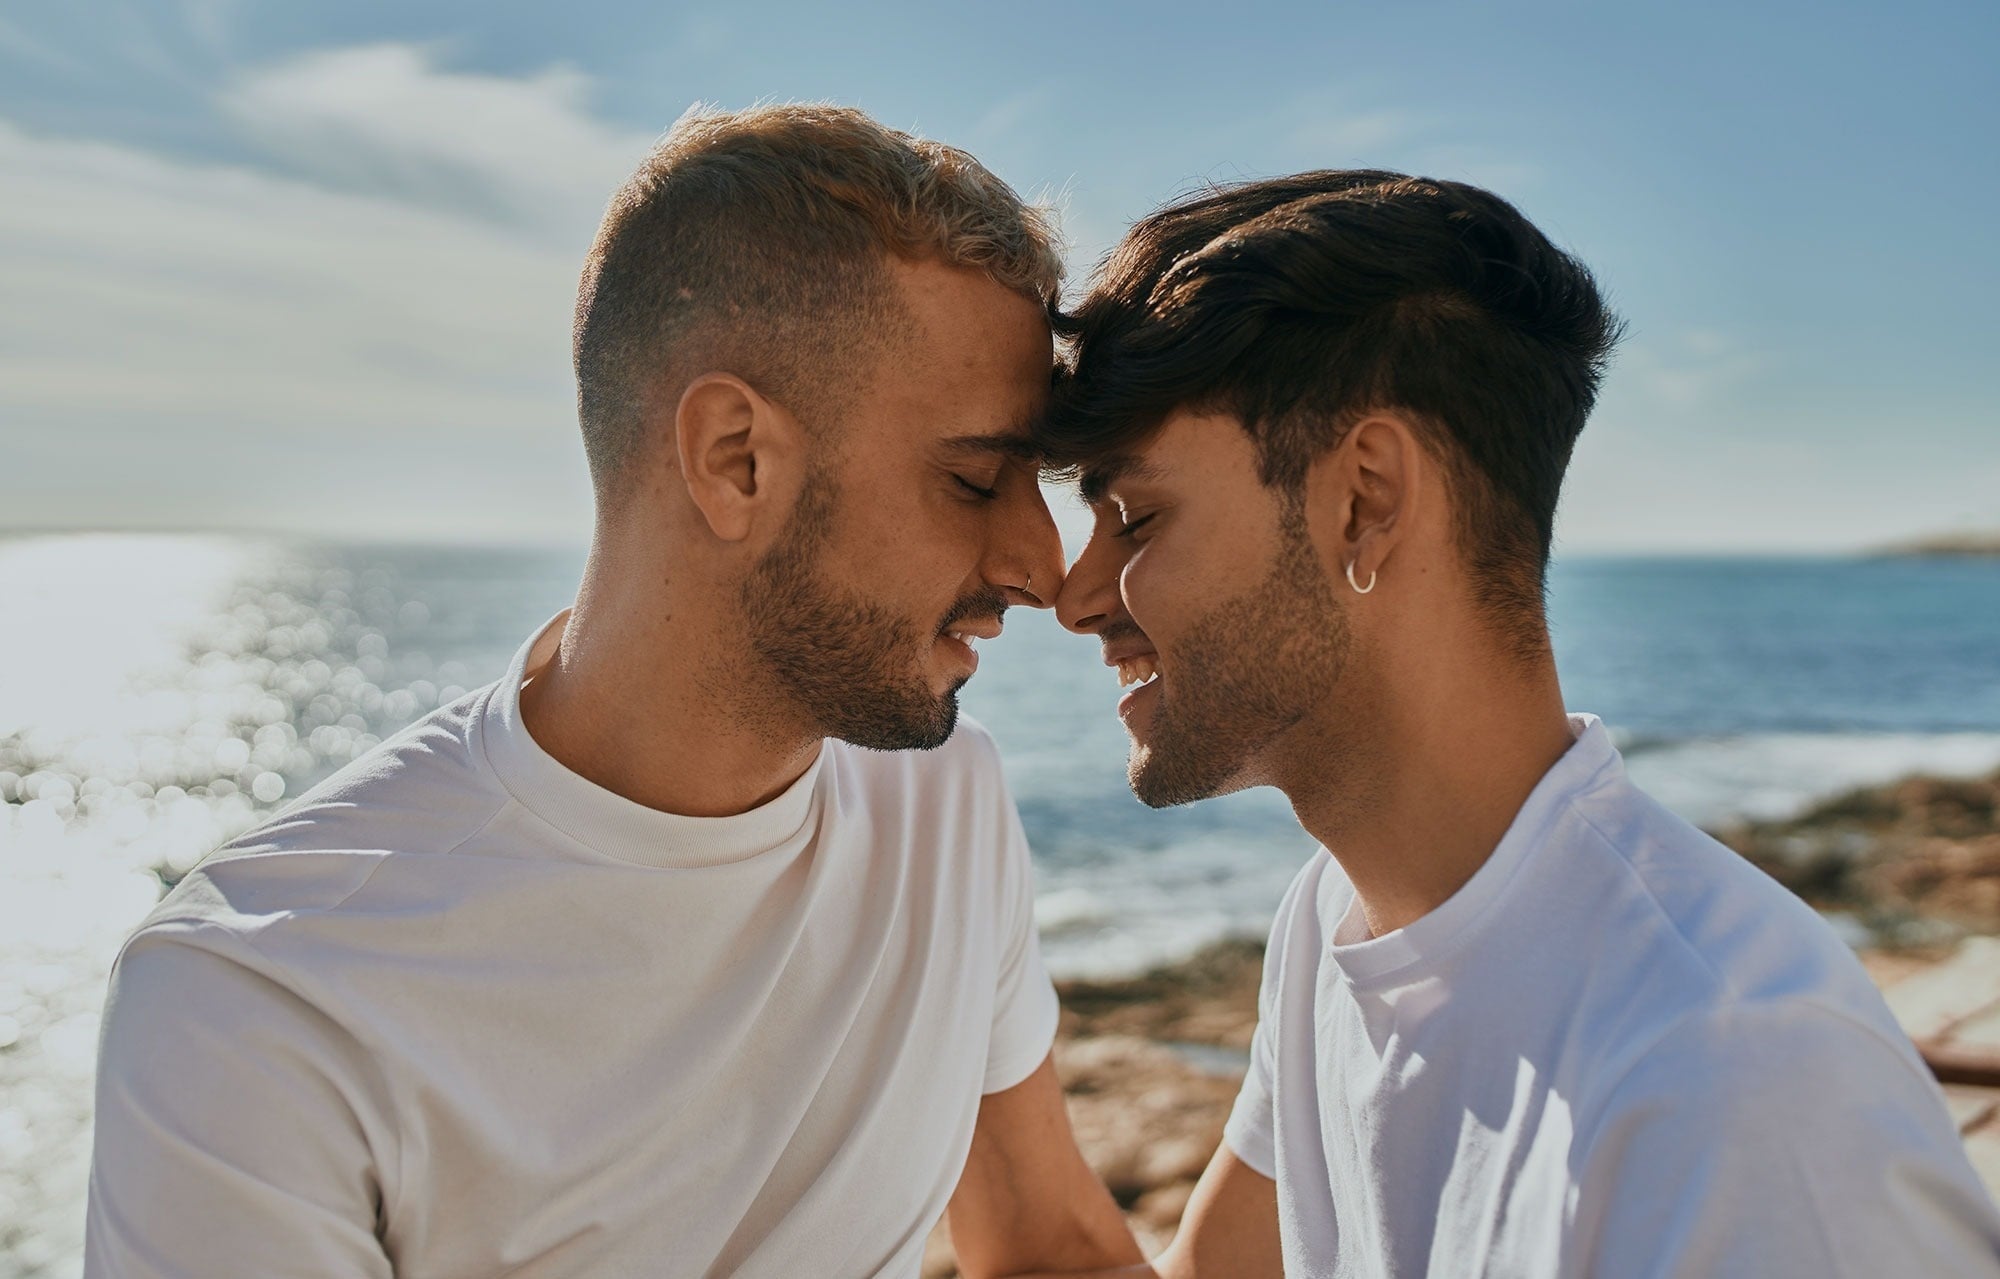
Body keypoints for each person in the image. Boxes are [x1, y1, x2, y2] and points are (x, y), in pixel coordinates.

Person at [85, 105, 1143, 1279]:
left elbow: (1053, 1249)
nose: (1042, 569)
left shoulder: (944, 803)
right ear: (733, 458)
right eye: (974, 478)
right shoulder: (261, 1002)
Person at [1037, 171, 2000, 1277]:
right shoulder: (1335, 918)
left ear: (1364, 500)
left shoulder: (1737, 1092)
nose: (1077, 595)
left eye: (1136, 517)